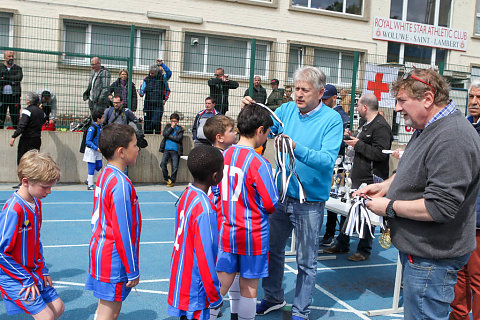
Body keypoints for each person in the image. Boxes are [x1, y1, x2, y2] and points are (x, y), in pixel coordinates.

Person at [356, 68, 480, 320]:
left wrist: (388, 206)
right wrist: (386, 185)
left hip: (432, 257)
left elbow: (440, 207)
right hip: (423, 254)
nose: (398, 108)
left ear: (427, 99)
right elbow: (418, 172)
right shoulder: (429, 128)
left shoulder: (452, 136)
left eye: (402, 101)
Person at [244, 66, 343, 320]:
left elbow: (326, 161)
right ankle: (274, 298)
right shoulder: (286, 110)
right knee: (271, 250)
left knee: (306, 261)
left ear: (320, 93)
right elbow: (265, 126)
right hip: (280, 196)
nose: (298, 94)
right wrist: (253, 109)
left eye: (304, 90)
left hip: (310, 202)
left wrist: (296, 148)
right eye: (296, 89)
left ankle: (300, 311)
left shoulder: (332, 120)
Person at [210, 103, 278, 320]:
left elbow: (216, 192)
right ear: (260, 131)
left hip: (227, 230)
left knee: (223, 280)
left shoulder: (224, 156)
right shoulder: (259, 163)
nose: (267, 137)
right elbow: (270, 203)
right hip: (253, 233)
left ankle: (208, 315)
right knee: (249, 286)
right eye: (267, 133)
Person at [324, 93, 392, 261]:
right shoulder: (365, 124)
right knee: (349, 211)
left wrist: (358, 144)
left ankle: (364, 249)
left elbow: (380, 153)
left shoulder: (381, 127)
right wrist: (352, 137)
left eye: (358, 105)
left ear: (365, 107)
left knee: (366, 214)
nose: (356, 109)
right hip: (356, 174)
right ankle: (342, 243)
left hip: (370, 179)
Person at [86, 123, 142, 320]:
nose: (138, 149)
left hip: (100, 249)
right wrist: (132, 269)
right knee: (110, 312)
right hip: (113, 257)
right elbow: (123, 231)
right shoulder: (120, 183)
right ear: (121, 151)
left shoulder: (105, 175)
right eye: (134, 145)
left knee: (103, 309)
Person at [0, 150, 64, 319]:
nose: (49, 191)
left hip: (33, 271)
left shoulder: (36, 203)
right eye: (45, 187)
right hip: (14, 275)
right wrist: (25, 279)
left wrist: (42, 269)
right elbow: (1, 252)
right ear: (26, 181)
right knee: (46, 316)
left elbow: (36, 242)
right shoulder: (13, 210)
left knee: (58, 308)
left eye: (51, 186)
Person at [168, 145, 224, 320]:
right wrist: (214, 296)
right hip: (196, 286)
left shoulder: (187, 195)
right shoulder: (205, 209)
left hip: (181, 276)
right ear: (215, 176)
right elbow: (205, 257)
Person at [449, 80, 480, 320]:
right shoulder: (464, 125)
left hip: (477, 216)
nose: (474, 102)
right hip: (461, 212)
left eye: (479, 98)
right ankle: (458, 315)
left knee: (477, 277)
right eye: (471, 97)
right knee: (460, 272)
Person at [318, 84, 350, 247]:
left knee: (336, 199)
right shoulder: (324, 114)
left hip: (339, 164)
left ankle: (334, 234)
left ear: (333, 98)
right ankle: (328, 232)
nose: (322, 102)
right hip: (326, 162)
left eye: (325, 99)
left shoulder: (341, 116)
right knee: (327, 198)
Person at [9, 92, 45, 189]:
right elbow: (44, 120)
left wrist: (14, 136)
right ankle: (34, 181)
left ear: (29, 100)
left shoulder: (27, 111)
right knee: (34, 160)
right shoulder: (41, 112)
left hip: (27, 139)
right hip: (37, 138)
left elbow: (22, 125)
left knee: (22, 160)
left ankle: (23, 181)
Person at [160, 113, 184, 188]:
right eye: (173, 121)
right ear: (170, 121)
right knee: (163, 164)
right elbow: (164, 134)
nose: (174, 122)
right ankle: (167, 178)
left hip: (176, 150)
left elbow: (179, 138)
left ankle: (172, 181)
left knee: (175, 167)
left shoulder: (180, 129)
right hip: (166, 149)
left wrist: (169, 136)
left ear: (178, 121)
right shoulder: (168, 126)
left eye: (175, 121)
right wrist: (171, 128)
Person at [139, 64, 166, 134]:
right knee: (147, 124)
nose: (151, 74)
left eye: (152, 73)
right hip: (147, 105)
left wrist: (162, 64)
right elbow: (142, 89)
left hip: (158, 105)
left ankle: (157, 137)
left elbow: (169, 73)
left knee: (155, 122)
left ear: (157, 72)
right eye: (150, 72)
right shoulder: (146, 79)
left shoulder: (162, 78)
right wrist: (141, 93)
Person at [0, 50, 23, 129]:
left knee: (15, 116)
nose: (11, 58)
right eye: (9, 56)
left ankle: (16, 133)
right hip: (2, 96)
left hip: (14, 96)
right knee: (1, 116)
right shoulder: (1, 68)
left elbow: (18, 78)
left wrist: (5, 78)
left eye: (12, 56)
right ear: (5, 58)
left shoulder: (18, 68)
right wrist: (12, 81)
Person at [83, 109, 104, 191]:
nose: (103, 119)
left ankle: (88, 179)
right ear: (98, 119)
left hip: (97, 150)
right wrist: (96, 148)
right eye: (102, 118)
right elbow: (88, 141)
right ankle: (90, 185)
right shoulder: (92, 128)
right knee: (91, 167)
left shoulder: (100, 127)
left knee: (99, 165)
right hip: (91, 150)